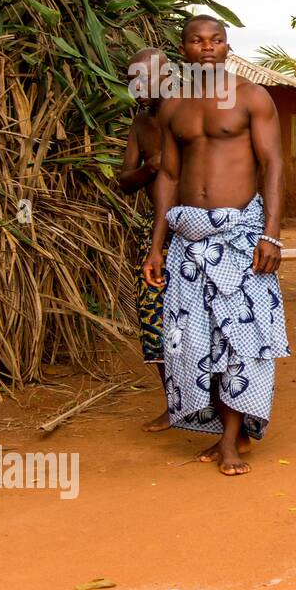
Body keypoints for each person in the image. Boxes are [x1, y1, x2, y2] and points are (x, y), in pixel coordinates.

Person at [141, 16, 289, 476]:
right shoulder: (174, 108)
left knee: (241, 342)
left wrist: (270, 234)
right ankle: (228, 430)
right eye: (197, 41)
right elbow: (167, 175)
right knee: (195, 340)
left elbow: (274, 166)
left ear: (227, 46)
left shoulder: (251, 96)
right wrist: (157, 246)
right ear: (183, 48)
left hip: (241, 237)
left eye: (216, 40)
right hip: (189, 239)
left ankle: (230, 441)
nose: (207, 48)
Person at [118, 47, 176, 433]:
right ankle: (175, 404)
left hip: (194, 236)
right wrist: (150, 168)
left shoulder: (189, 115)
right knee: (154, 327)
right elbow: (122, 182)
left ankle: (214, 408)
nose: (137, 87)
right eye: (132, 80)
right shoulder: (140, 125)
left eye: (145, 78)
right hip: (154, 240)